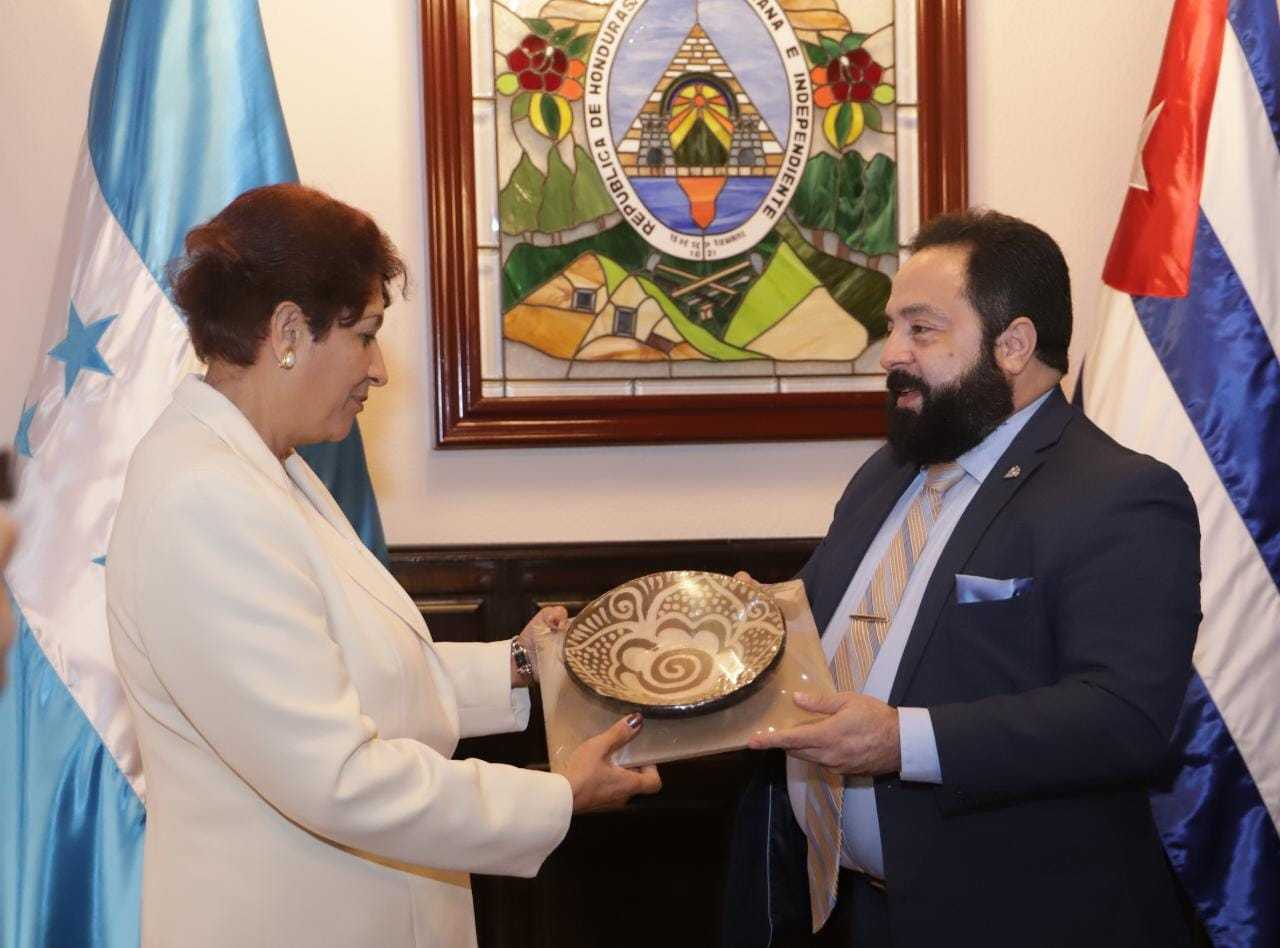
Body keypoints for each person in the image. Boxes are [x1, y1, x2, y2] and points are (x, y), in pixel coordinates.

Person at [105, 183, 660, 948]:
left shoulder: (262, 467)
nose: (379, 370)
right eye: (365, 334)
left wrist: (522, 667)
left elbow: (347, 675)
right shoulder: (205, 497)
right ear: (289, 330)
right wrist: (555, 796)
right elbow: (338, 775)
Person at [724, 209, 1201, 948]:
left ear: (1013, 345)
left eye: (922, 330)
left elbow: (1124, 718)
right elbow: (818, 628)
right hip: (853, 913)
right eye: (892, 328)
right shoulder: (885, 476)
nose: (890, 354)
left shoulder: (1122, 495)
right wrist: (746, 621)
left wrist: (900, 741)